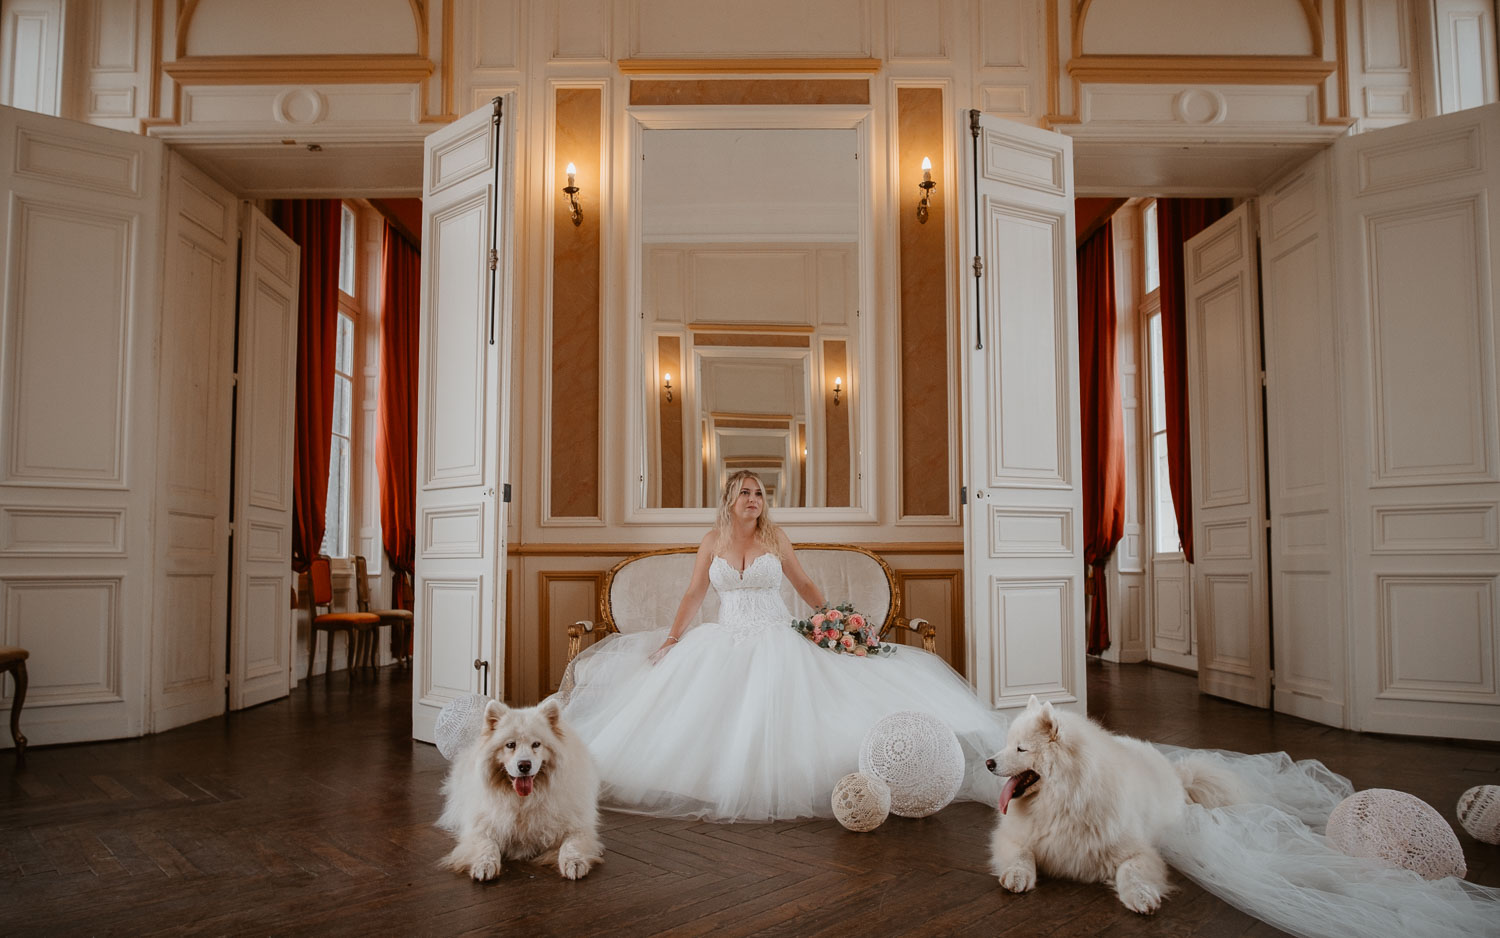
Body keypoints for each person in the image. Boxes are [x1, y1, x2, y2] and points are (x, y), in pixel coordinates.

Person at [559, 469, 1009, 822]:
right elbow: (695, 592)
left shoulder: (775, 538)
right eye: (745, 492)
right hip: (722, 637)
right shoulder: (711, 541)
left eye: (759, 493)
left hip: (777, 634)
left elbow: (805, 584)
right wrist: (673, 639)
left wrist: (838, 622)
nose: (753, 499)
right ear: (730, 501)